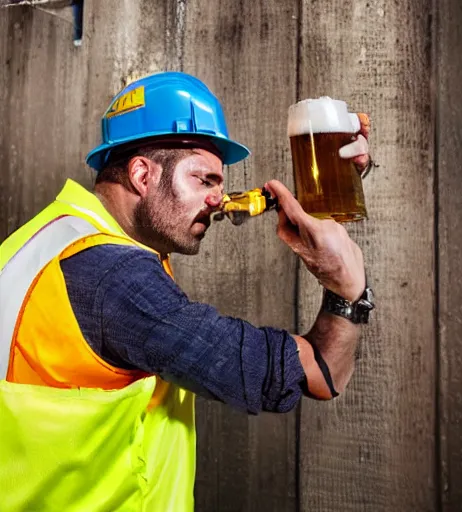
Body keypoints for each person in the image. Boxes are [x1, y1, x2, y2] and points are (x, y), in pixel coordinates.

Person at [0, 71, 374, 511]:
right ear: (142, 174)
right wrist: (346, 291)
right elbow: (319, 373)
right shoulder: (115, 278)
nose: (218, 199)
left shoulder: (53, 237)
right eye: (204, 180)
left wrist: (328, 193)